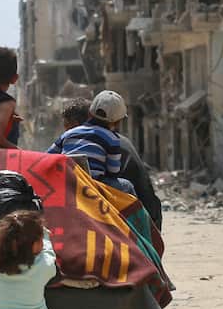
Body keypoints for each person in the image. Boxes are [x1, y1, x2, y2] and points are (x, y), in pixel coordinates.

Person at [60, 97, 162, 229]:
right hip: (129, 215)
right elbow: (142, 188)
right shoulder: (116, 141)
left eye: (66, 127)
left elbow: (48, 157)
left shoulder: (68, 139)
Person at [46, 90, 135, 196]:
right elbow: (113, 171)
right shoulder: (112, 139)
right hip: (95, 183)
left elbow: (48, 156)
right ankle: (139, 213)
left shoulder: (68, 133)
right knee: (128, 185)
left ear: (90, 114)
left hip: (67, 180)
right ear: (117, 122)